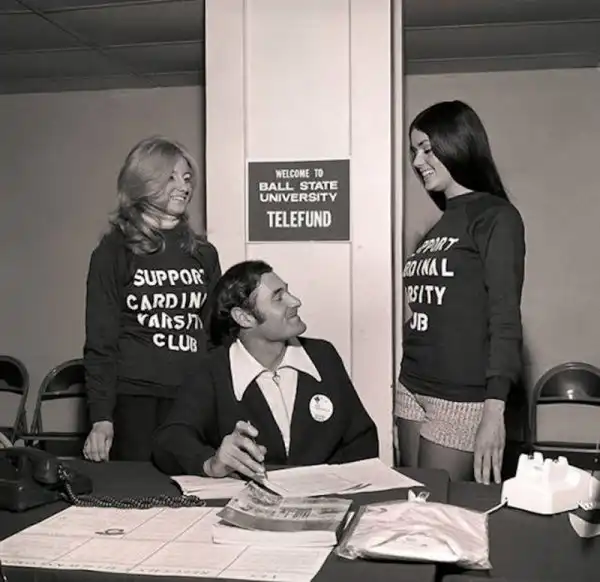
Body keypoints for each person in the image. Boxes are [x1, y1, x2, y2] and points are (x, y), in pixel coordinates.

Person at [396, 100, 526, 484]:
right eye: (414, 151)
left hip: (460, 396)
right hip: (412, 385)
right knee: (411, 503)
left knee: (436, 508)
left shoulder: (496, 216)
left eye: (427, 149)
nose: (418, 161)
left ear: (457, 144)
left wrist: (494, 411)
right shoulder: (439, 227)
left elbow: (505, 316)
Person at [152, 260, 378, 478]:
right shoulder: (212, 370)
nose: (295, 301)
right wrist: (211, 463)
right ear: (244, 318)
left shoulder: (323, 356)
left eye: (287, 291)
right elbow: (170, 440)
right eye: (278, 298)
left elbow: (361, 437)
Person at [83, 136, 221, 463]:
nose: (184, 187)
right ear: (143, 182)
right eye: (170, 177)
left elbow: (217, 334)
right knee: (140, 488)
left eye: (187, 178)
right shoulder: (114, 252)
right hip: (136, 399)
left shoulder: (203, 253)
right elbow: (101, 341)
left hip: (192, 397)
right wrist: (101, 418)